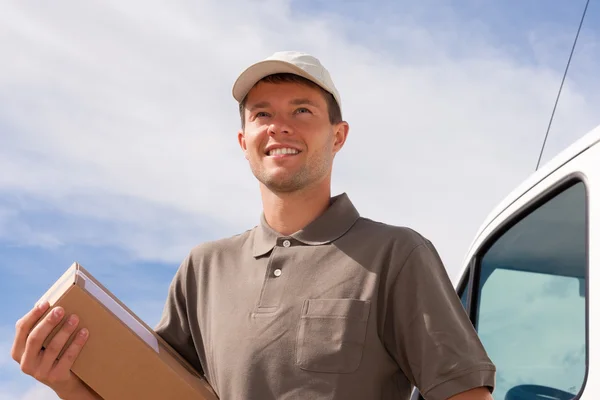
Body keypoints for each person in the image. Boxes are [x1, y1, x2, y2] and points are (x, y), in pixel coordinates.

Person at [11, 51, 496, 400]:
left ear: (339, 136)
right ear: (244, 140)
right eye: (263, 114)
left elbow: (464, 393)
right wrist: (68, 384)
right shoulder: (203, 269)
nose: (279, 126)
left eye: (301, 111)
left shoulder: (396, 254)